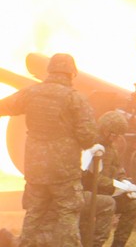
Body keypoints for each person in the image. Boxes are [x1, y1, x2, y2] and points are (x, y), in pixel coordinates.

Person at [0, 53, 102, 247]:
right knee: (68, 212)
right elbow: (88, 135)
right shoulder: (76, 99)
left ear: (49, 71)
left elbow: (3, 107)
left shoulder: (30, 93)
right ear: (72, 73)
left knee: (34, 213)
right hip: (63, 171)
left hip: (35, 168)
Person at [83, 111, 136, 246]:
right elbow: (92, 179)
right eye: (113, 134)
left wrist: (125, 182)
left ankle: (118, 244)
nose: (115, 138)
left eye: (118, 135)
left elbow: (118, 169)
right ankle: (95, 244)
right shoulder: (92, 146)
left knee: (133, 205)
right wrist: (118, 186)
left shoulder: (112, 149)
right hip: (88, 193)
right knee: (108, 203)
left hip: (105, 192)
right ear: (104, 129)